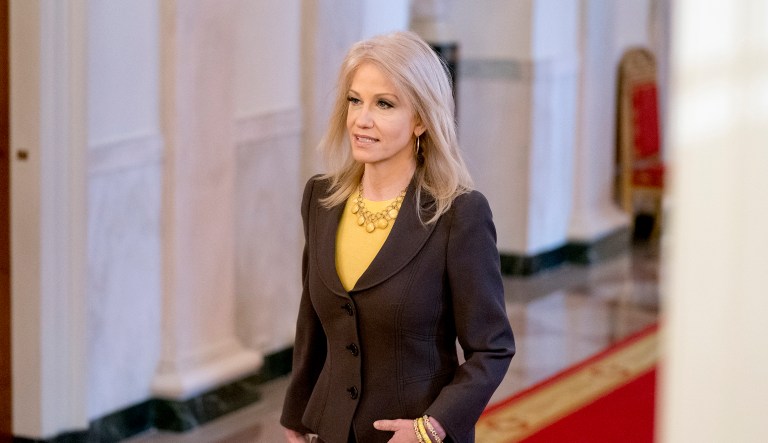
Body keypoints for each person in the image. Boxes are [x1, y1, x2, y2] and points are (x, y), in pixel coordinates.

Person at [280, 31, 515, 443]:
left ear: (421, 120)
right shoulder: (321, 198)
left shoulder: (459, 214)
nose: (361, 119)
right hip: (329, 431)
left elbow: (492, 348)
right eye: (355, 100)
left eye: (384, 104)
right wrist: (297, 414)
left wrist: (432, 428)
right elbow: (312, 322)